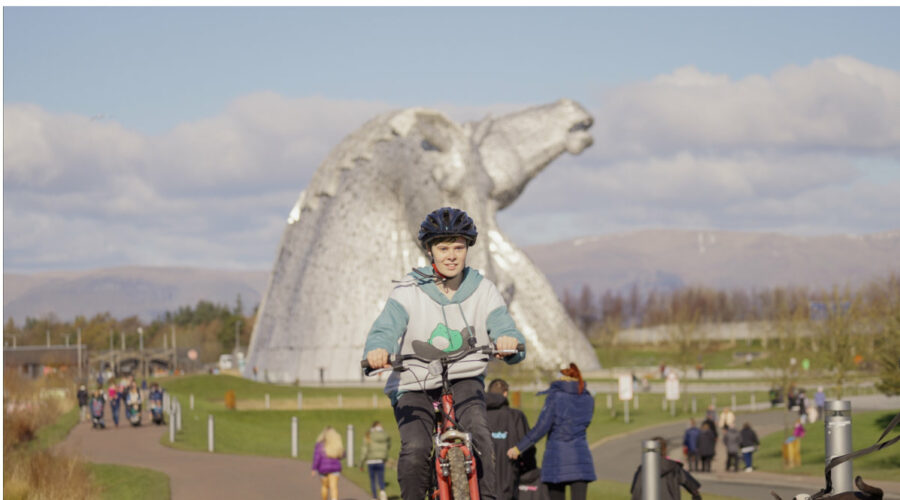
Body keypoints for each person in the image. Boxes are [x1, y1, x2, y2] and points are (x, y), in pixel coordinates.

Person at [363, 207, 525, 500]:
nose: (451, 255)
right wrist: (379, 349)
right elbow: (386, 327)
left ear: (467, 249)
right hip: (414, 382)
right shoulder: (409, 289)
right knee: (416, 449)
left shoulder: (483, 289)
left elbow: (503, 325)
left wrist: (507, 341)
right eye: (443, 247)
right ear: (430, 250)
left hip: (465, 378)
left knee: (481, 436)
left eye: (459, 247)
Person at [507, 363, 596, 500]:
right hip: (581, 459)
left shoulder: (555, 397)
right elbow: (586, 423)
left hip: (557, 460)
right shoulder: (588, 399)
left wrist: (519, 448)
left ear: (562, 379)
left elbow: (542, 427)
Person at [486, 378, 536, 499]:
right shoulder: (516, 416)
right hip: (509, 480)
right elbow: (527, 446)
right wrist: (529, 470)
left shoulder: (479, 415)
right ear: (505, 393)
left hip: (482, 481)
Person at [629, 436, 702, 500]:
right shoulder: (674, 467)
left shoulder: (642, 469)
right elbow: (693, 487)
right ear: (665, 449)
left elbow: (634, 490)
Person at [359, 421, 390, 500]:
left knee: (373, 480)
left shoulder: (369, 435)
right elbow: (388, 446)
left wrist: (361, 463)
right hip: (380, 460)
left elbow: (364, 450)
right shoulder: (384, 435)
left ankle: (375, 497)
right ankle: (382, 492)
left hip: (371, 461)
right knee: (381, 478)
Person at [312, 426, 344, 500]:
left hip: (323, 469)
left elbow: (317, 458)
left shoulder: (319, 445)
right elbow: (342, 454)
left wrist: (314, 468)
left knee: (324, 486)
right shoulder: (336, 444)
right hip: (335, 468)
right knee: (334, 487)